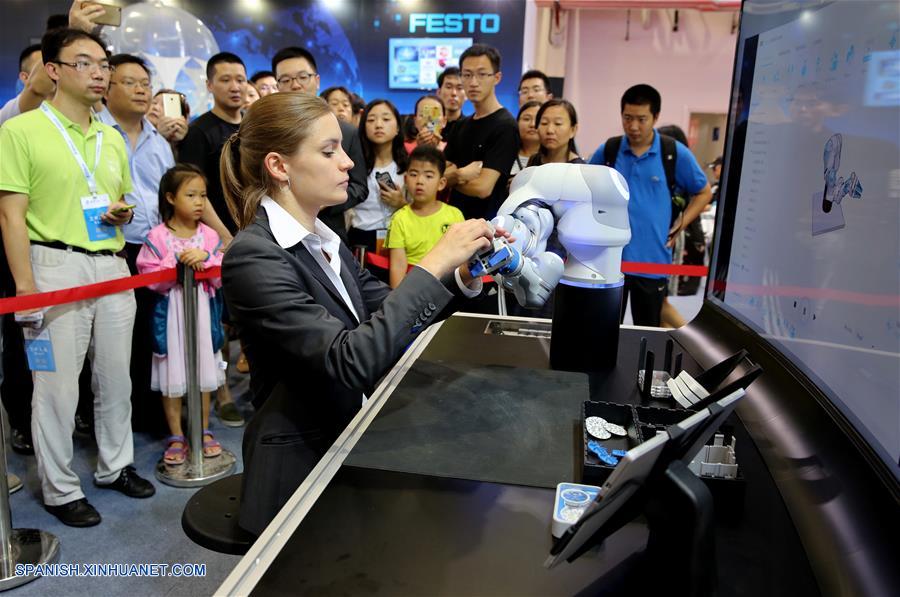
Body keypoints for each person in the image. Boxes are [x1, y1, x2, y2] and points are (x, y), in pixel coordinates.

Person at [218, 91, 505, 535]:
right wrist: (433, 262)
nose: (348, 163)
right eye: (329, 151)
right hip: (300, 467)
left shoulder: (324, 241)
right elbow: (347, 360)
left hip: (352, 441)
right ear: (279, 166)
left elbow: (391, 313)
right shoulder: (254, 256)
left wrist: (460, 273)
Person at [0, 27, 155, 527]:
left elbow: (125, 198)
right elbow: (11, 214)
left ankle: (116, 466)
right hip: (53, 266)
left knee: (116, 379)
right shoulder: (20, 130)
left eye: (103, 65)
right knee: (56, 386)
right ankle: (60, 487)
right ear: (54, 70)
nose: (99, 73)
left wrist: (122, 213)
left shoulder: (110, 136)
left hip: (111, 265)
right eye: (85, 62)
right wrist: (25, 287)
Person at [589, 84, 711, 327]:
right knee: (603, 327)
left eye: (641, 119)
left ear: (655, 117)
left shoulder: (673, 152)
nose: (633, 126)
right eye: (627, 118)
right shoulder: (610, 150)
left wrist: (681, 223)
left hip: (652, 260)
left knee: (647, 331)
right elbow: (586, 187)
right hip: (611, 260)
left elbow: (703, 192)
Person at [98, 53, 177, 431]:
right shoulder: (94, 132)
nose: (142, 89)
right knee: (111, 343)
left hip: (155, 249)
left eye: (145, 83)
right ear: (106, 88)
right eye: (130, 82)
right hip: (113, 246)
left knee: (152, 331)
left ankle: (148, 414)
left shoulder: (158, 140)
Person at [137, 164, 225, 465]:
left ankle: (202, 429)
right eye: (191, 194)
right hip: (171, 313)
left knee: (203, 372)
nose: (199, 202)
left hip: (202, 312)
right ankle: (176, 434)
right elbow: (148, 275)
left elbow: (221, 274)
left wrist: (208, 258)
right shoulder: (158, 236)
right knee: (172, 373)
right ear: (171, 197)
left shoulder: (210, 236)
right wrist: (175, 262)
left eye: (203, 195)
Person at [176, 51, 245, 426]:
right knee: (217, 322)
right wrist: (224, 236)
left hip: (250, 233)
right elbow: (195, 194)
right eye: (225, 79)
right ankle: (222, 392)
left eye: (240, 78)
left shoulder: (249, 126)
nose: (235, 86)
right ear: (209, 85)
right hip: (214, 240)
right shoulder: (199, 133)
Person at [272, 46, 367, 245]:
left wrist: (325, 201)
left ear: (317, 80)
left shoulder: (345, 131)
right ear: (277, 85)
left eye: (302, 77)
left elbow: (359, 187)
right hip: (277, 232)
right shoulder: (269, 132)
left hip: (329, 231)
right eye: (286, 80)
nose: (295, 85)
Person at [443, 44, 519, 221]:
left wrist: (449, 180)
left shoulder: (505, 126)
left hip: (487, 228)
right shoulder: (460, 125)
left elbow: (483, 188)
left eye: (482, 74)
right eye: (467, 75)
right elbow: (441, 172)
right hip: (453, 222)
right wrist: (460, 175)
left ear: (497, 77)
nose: (473, 82)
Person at [0, 1, 103, 126]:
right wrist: (75, 32)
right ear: (26, 77)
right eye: (40, 67)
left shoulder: (92, 112)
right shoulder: (13, 114)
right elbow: (36, 88)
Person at [386, 145, 464, 288]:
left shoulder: (454, 215)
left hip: (447, 287)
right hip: (413, 288)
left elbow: (461, 261)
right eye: (414, 174)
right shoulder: (399, 219)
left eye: (428, 176)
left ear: (441, 183)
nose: (420, 181)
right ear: (405, 179)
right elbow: (398, 267)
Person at [347, 99, 407, 253]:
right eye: (371, 120)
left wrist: (402, 203)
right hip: (360, 240)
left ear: (398, 127)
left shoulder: (408, 166)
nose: (379, 125)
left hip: (399, 239)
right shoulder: (351, 166)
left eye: (386, 119)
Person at [526, 99, 585, 166]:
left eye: (558, 123)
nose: (550, 130)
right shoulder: (534, 160)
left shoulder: (579, 167)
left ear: (573, 130)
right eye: (544, 123)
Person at [510, 100, 541, 178]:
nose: (532, 124)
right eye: (526, 119)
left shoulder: (553, 158)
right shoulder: (504, 153)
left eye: (538, 120)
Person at [436, 66, 466, 134]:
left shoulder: (471, 128)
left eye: (459, 88)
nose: (454, 93)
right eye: (449, 87)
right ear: (439, 92)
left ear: (466, 95)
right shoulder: (430, 128)